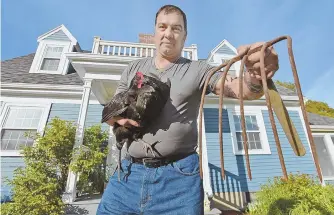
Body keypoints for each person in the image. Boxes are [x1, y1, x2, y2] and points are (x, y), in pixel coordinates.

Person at [97, 4, 279, 215]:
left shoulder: (198, 70)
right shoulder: (133, 68)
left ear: (185, 35)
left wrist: (256, 76)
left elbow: (240, 89)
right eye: (162, 26)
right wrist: (117, 120)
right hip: (127, 176)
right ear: (155, 32)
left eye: (176, 28)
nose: (168, 33)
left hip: (178, 179)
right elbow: (113, 111)